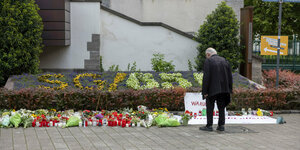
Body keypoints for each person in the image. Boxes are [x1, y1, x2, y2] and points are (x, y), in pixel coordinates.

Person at [199, 48, 232, 132]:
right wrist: (230, 89)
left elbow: (206, 77)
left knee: (210, 107)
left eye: (206, 56)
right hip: (224, 89)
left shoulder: (209, 61)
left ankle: (209, 126)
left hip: (212, 89)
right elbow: (230, 76)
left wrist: (205, 91)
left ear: (208, 54)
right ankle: (221, 126)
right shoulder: (225, 61)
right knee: (221, 107)